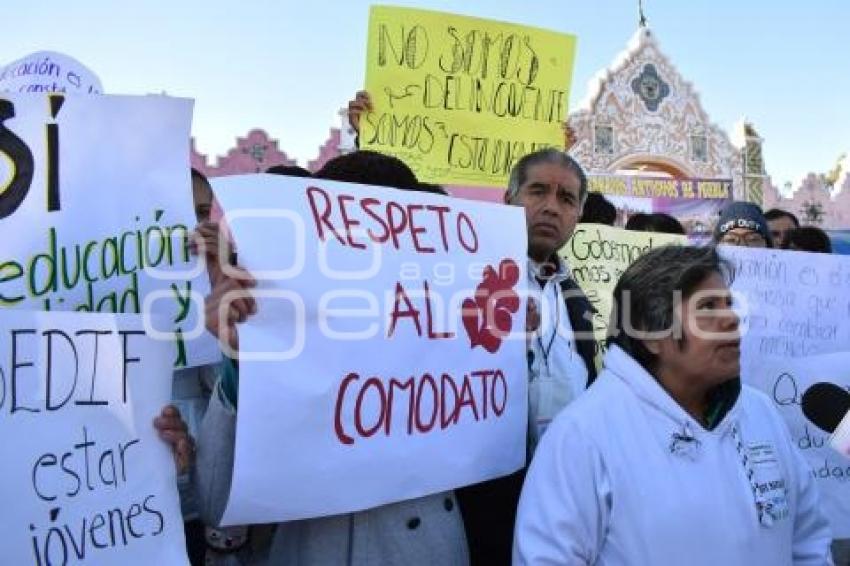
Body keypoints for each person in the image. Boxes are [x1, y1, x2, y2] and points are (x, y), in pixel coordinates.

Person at [195, 150, 469, 565]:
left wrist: (505, 348)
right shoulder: (275, 339)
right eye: (348, 236)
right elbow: (218, 507)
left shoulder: (451, 332)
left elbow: (496, 454)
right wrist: (239, 362)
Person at [513, 245, 832, 565]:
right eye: (708, 308)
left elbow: (808, 541)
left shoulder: (760, 412)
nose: (732, 319)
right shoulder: (582, 436)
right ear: (651, 333)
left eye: (729, 304)